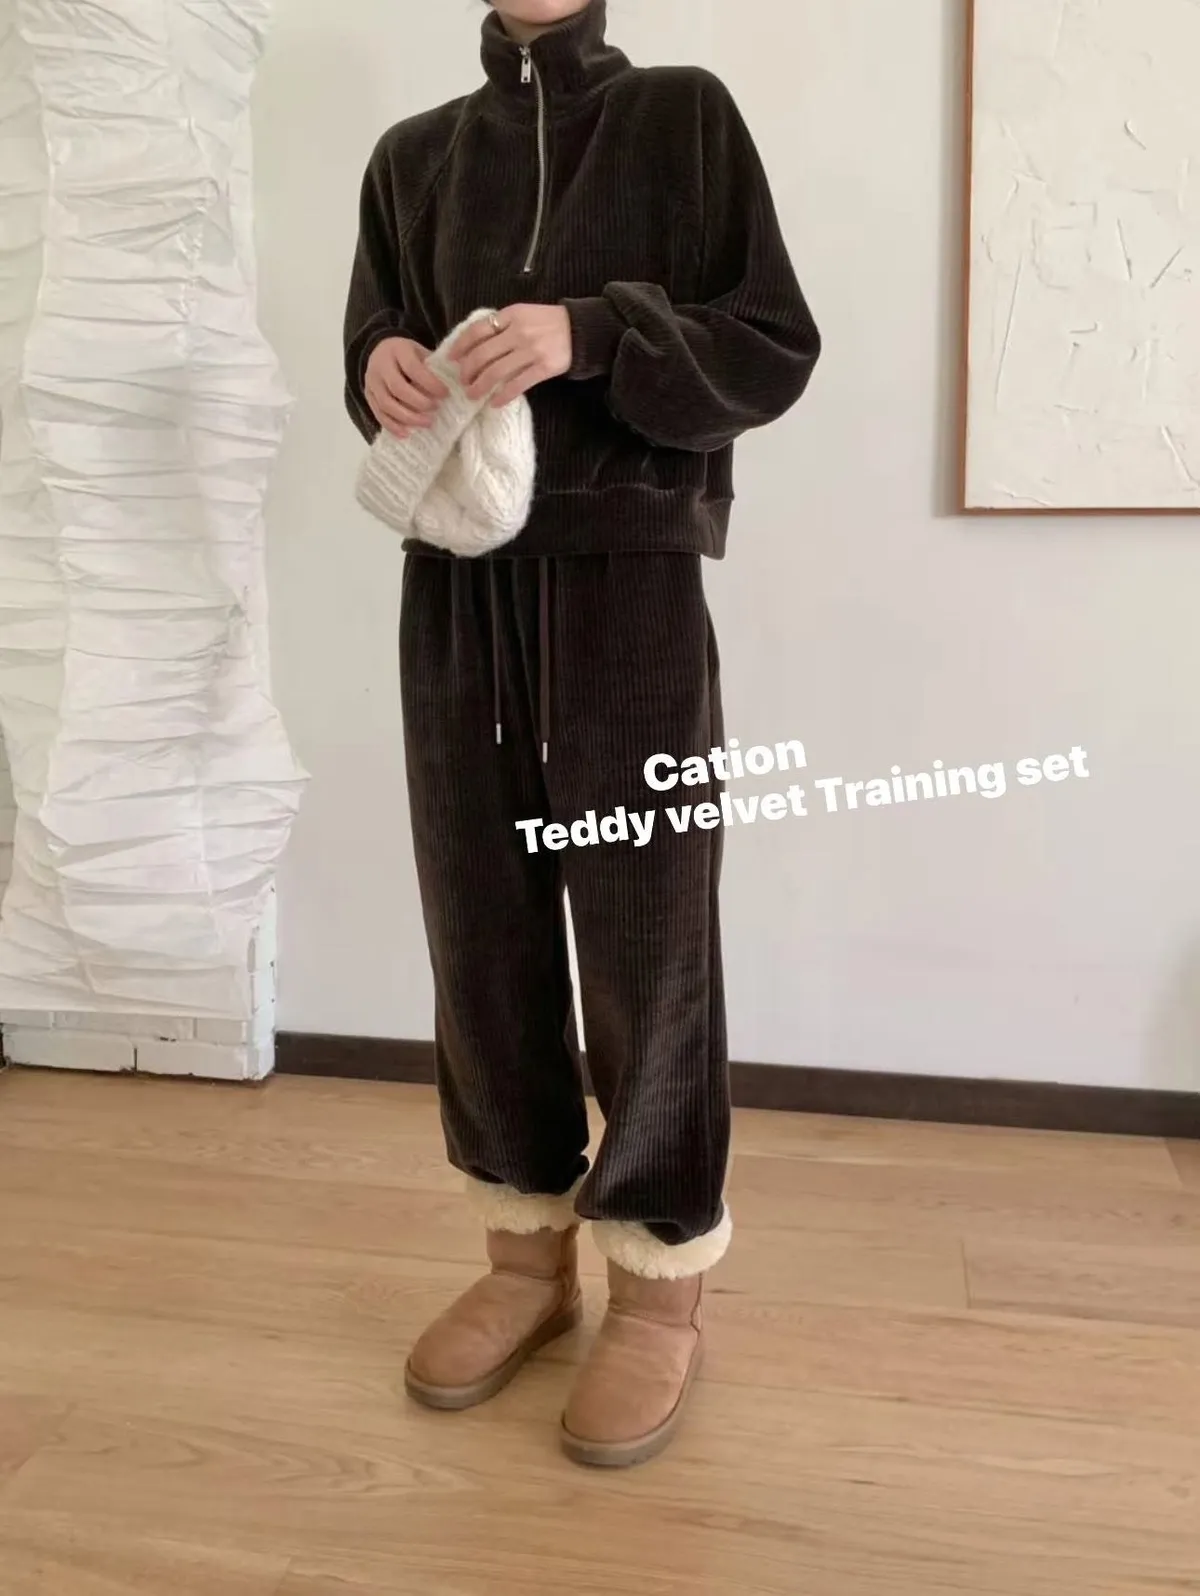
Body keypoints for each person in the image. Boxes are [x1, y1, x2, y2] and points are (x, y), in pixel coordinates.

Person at [343, 0, 820, 1468]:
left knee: (645, 928)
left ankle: (661, 1283)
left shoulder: (684, 115)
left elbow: (772, 346)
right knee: (477, 920)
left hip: (629, 576)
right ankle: (522, 1258)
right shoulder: (412, 157)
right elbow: (372, 345)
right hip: (456, 581)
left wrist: (594, 330)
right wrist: (381, 365)